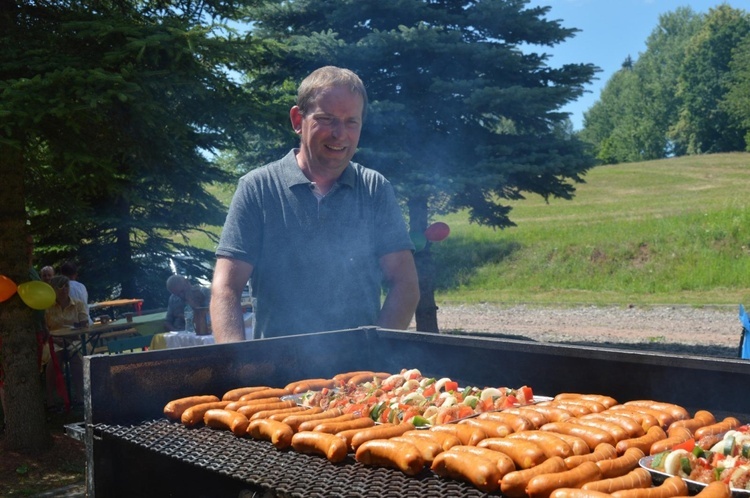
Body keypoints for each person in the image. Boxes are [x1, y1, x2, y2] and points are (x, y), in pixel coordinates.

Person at [211, 66, 420, 342]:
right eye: (326, 119)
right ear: (298, 119)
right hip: (276, 373)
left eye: (351, 122)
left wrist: (376, 354)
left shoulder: (375, 189)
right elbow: (225, 287)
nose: (339, 134)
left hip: (358, 374)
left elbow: (406, 285)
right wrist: (237, 363)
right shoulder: (258, 188)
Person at [45, 275, 88, 407]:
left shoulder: (78, 304)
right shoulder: (47, 307)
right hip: (54, 341)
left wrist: (74, 335)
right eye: (60, 286)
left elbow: (84, 325)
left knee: (76, 357)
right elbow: (44, 330)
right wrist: (55, 339)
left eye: (66, 286)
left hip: (74, 339)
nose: (64, 289)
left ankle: (80, 396)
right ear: (53, 289)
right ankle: (50, 398)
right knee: (54, 359)